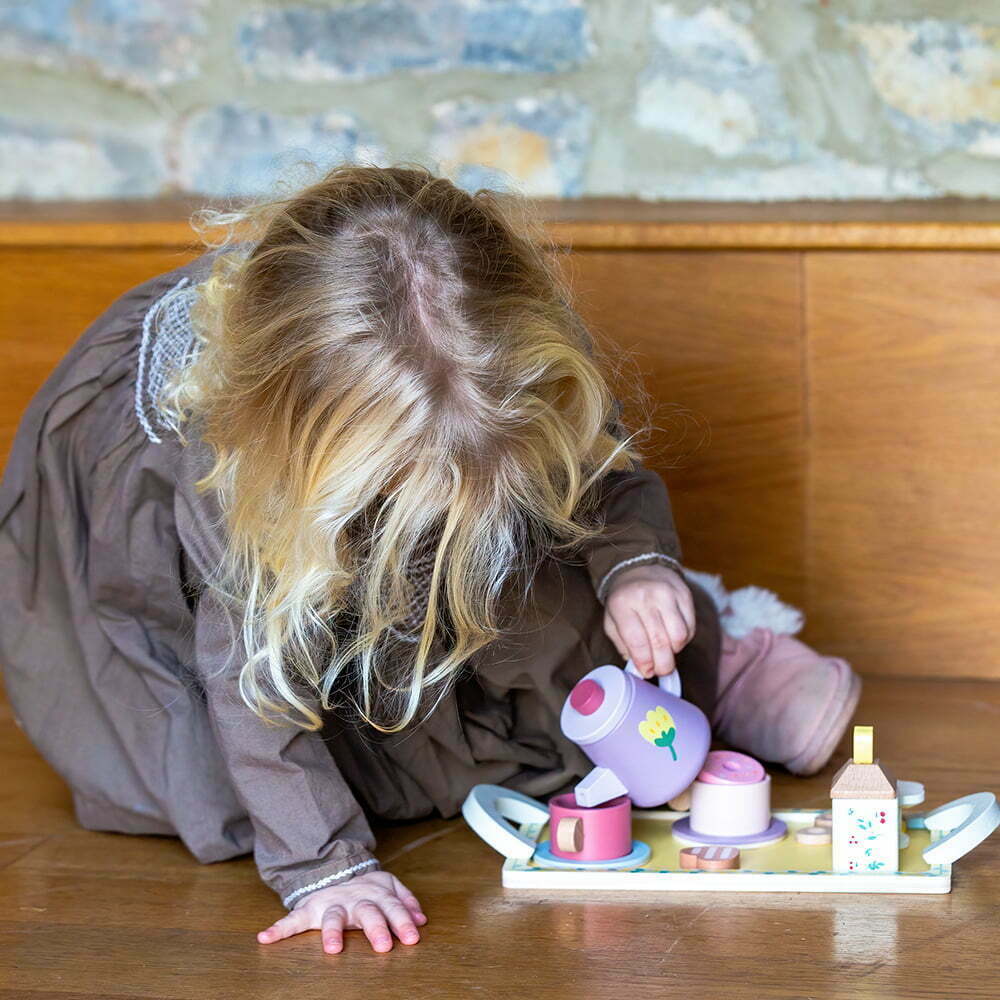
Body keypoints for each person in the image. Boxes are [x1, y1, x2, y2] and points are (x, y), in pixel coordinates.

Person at [0, 164, 859, 956]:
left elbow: (601, 476)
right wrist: (325, 865)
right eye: (421, 491)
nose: (446, 513)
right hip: (256, 601)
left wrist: (636, 568)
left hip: (443, 530)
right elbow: (249, 688)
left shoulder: (495, 349)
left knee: (542, 594)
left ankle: (707, 641)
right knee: (241, 781)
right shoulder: (236, 476)